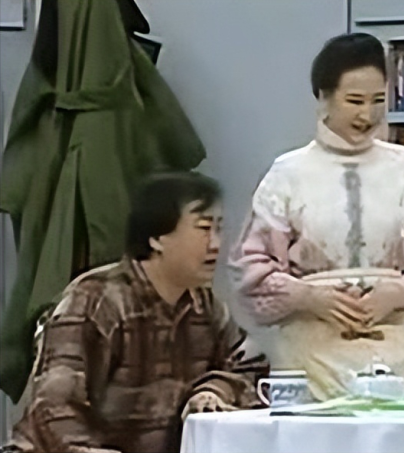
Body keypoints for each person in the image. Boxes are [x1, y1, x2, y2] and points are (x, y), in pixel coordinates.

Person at [228, 33, 404, 401]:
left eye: (377, 101)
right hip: (311, 359)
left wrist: (399, 292)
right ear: (324, 97)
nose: (367, 115)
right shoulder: (287, 174)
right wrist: (309, 297)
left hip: (398, 354)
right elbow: (250, 269)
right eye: (354, 101)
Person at [2, 172, 270, 453]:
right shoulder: (96, 300)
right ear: (157, 239)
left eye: (219, 229)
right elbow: (54, 407)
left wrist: (213, 391)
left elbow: (250, 367)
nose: (215, 244)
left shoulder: (204, 305)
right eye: (203, 228)